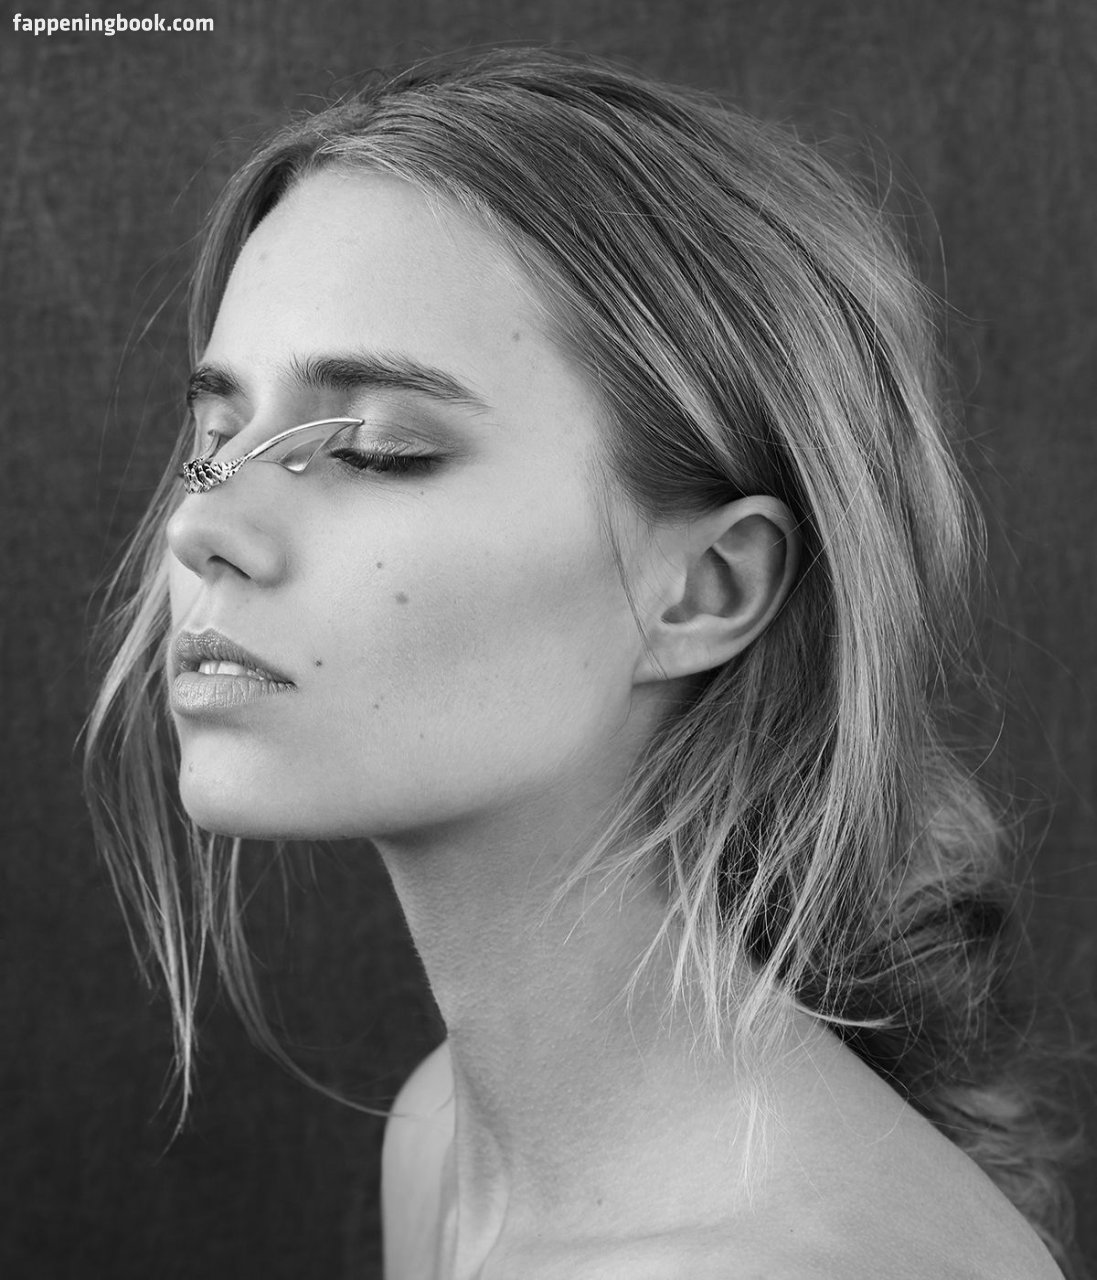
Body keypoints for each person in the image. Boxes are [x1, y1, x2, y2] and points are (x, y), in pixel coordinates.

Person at [83, 47, 1080, 1280]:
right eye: (217, 436)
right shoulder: (440, 1138)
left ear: (705, 587)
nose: (199, 525)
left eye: (378, 448)